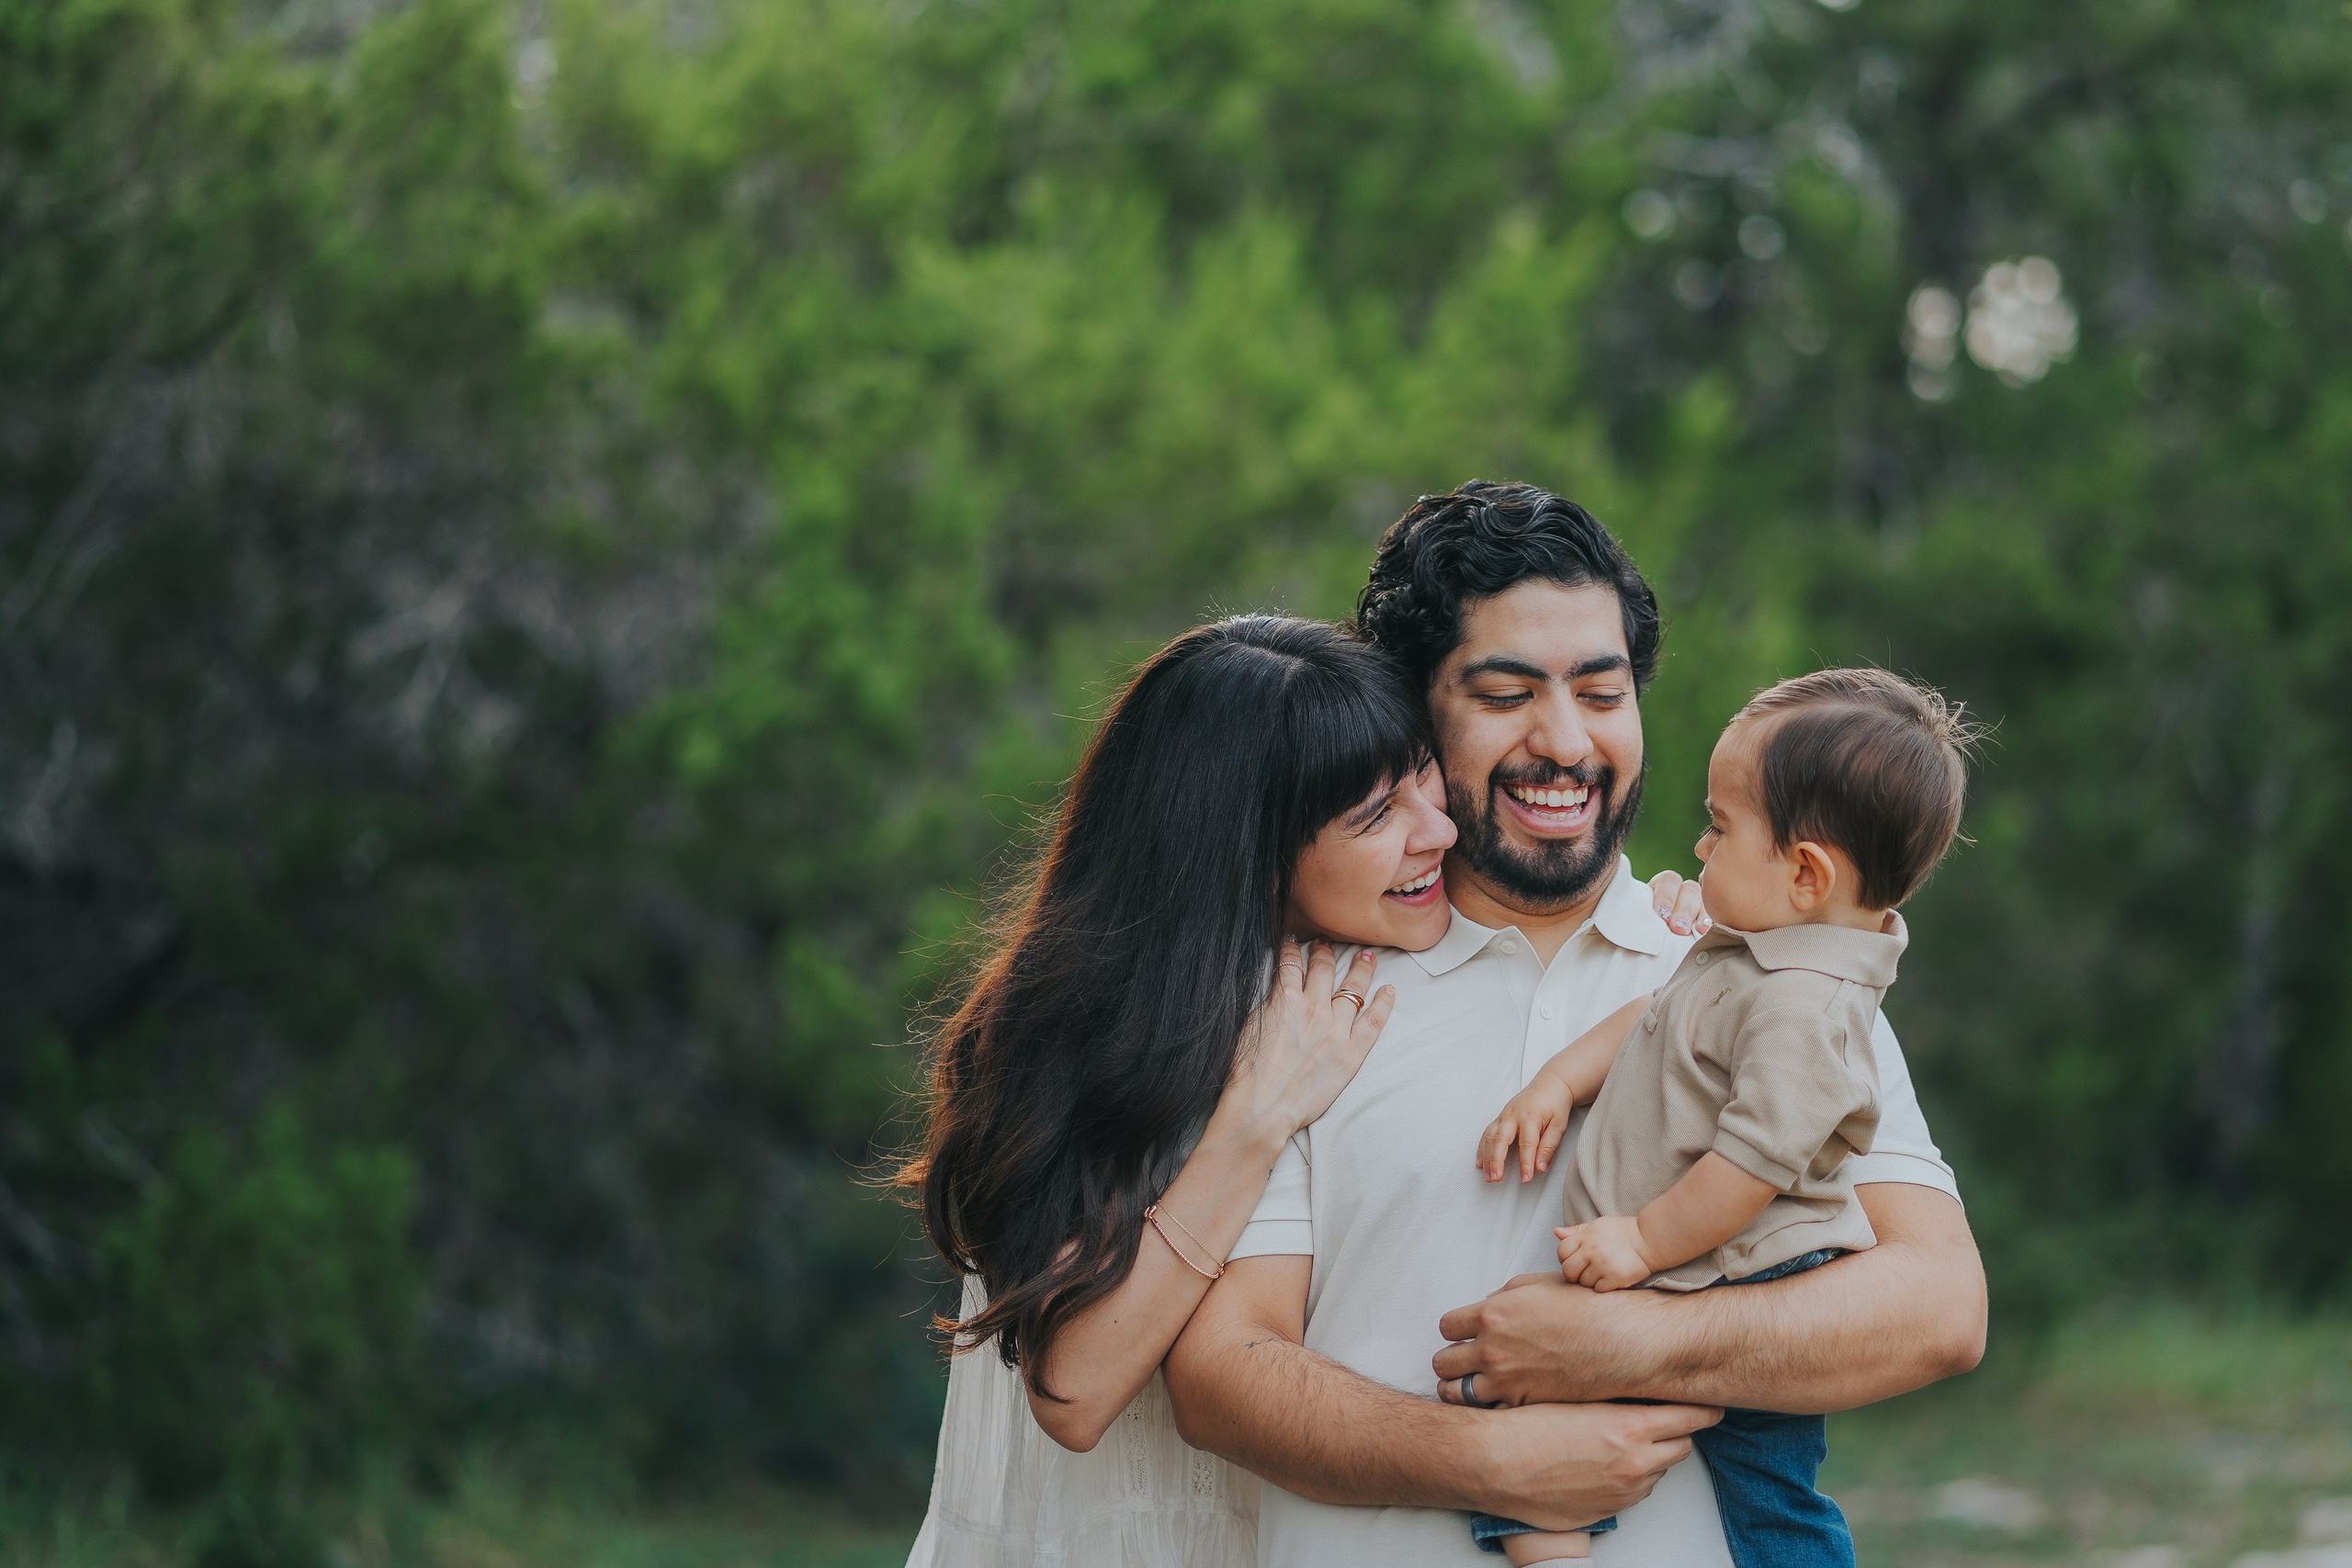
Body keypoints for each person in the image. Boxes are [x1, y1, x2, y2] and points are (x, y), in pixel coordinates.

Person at [1163, 481, 1988, 1567]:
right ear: (1413, 713)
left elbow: (1937, 1308)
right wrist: (1491, 1465)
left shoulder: (1771, 971)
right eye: (1505, 694)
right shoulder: (1309, 1000)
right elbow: (1221, 1375)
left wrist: (1631, 1339)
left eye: (1601, 693)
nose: (1565, 742)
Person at [899, 614, 1707, 1566]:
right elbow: (1072, 1391)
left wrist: (1673, 908)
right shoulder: (1133, 1033)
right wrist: (1252, 1119)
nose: (1438, 831)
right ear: (1245, 851)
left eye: (1423, 783)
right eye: (1377, 817)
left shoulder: (1331, 979)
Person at [1469, 667, 1977, 1567]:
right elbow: (1656, 1021)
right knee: (1534, 1419)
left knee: (1767, 1496)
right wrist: (1559, 1080)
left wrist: (1641, 1243)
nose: (1699, 852)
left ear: (1806, 873)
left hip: (1735, 1271)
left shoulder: (1804, 1009)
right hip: (1693, 1264)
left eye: (1719, 827)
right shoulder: (1750, 951)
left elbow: (1751, 1164)